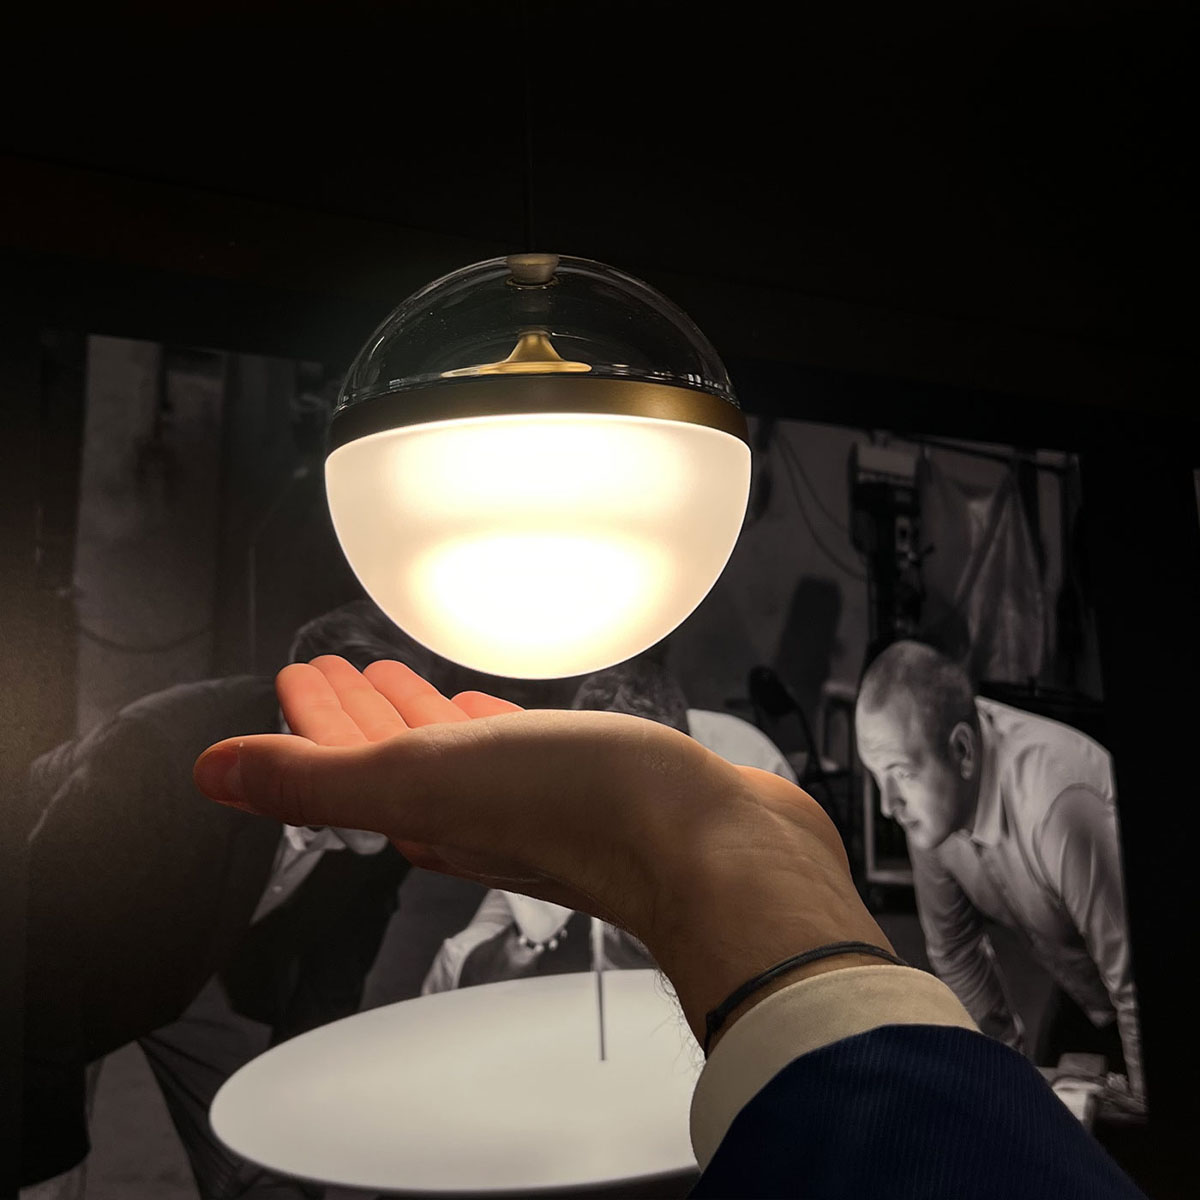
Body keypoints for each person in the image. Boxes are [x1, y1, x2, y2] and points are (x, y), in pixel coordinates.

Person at [192, 656, 1146, 1198]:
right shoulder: (873, 809)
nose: (890, 807)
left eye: (900, 778)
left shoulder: (745, 766)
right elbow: (955, 976)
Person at [20, 600, 431, 1200]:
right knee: (43, 1161)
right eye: (369, 741)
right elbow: (40, 940)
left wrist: (301, 1116)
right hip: (54, 954)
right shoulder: (156, 756)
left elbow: (335, 973)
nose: (392, 778)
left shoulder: (393, 791)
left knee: (271, 1155)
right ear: (297, 723)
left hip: (201, 958)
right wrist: (44, 1141)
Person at [853, 639, 1143, 1101]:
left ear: (963, 751)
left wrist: (1145, 1112)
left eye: (901, 773)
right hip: (1088, 990)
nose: (888, 806)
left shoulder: (1059, 811)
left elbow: (1138, 984)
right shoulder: (931, 806)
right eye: (876, 776)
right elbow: (955, 949)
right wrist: (1005, 1083)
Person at [423, 654, 796, 993]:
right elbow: (455, 979)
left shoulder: (753, 774)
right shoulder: (555, 798)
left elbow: (795, 932)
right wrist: (525, 939)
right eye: (604, 793)